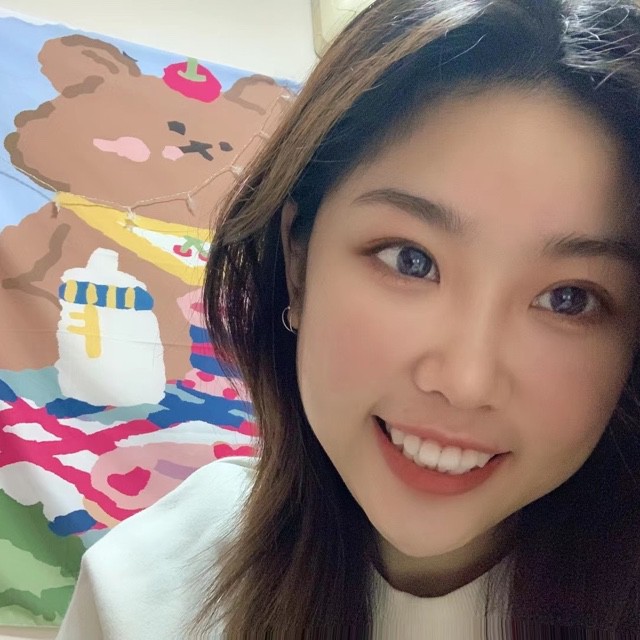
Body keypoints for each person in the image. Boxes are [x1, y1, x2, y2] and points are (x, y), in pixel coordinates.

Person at [56, 0, 640, 637]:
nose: (466, 382)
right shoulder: (141, 597)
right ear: (298, 261)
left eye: (569, 298)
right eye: (411, 260)